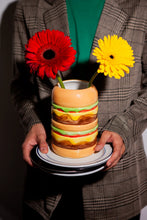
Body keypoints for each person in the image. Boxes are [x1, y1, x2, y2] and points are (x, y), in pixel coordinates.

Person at [11, 0, 147, 219]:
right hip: (47, 181)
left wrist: (123, 128)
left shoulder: (141, 5)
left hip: (118, 183)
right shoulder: (29, 5)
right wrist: (32, 120)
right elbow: (21, 84)